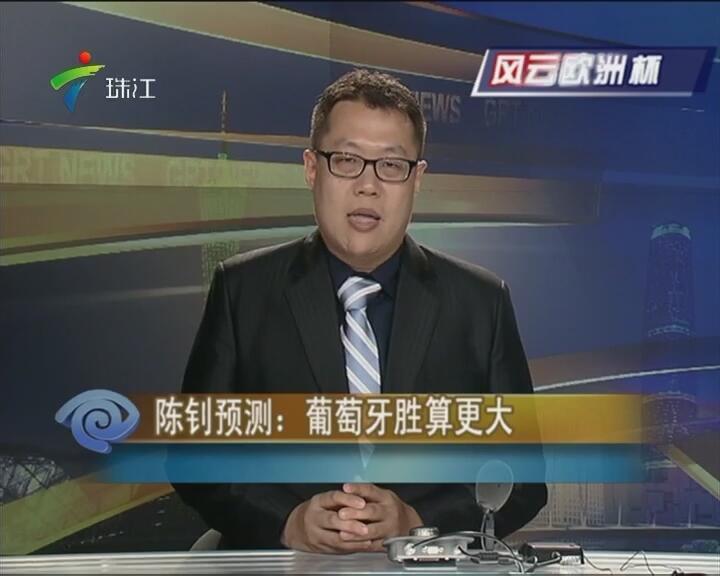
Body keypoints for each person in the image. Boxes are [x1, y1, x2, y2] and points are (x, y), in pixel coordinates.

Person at [173, 68, 547, 553]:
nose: (368, 186)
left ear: (417, 179)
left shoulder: (480, 303)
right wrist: (288, 522)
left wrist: (420, 523)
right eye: (347, 160)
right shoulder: (242, 291)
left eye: (390, 165)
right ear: (312, 168)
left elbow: (524, 481)